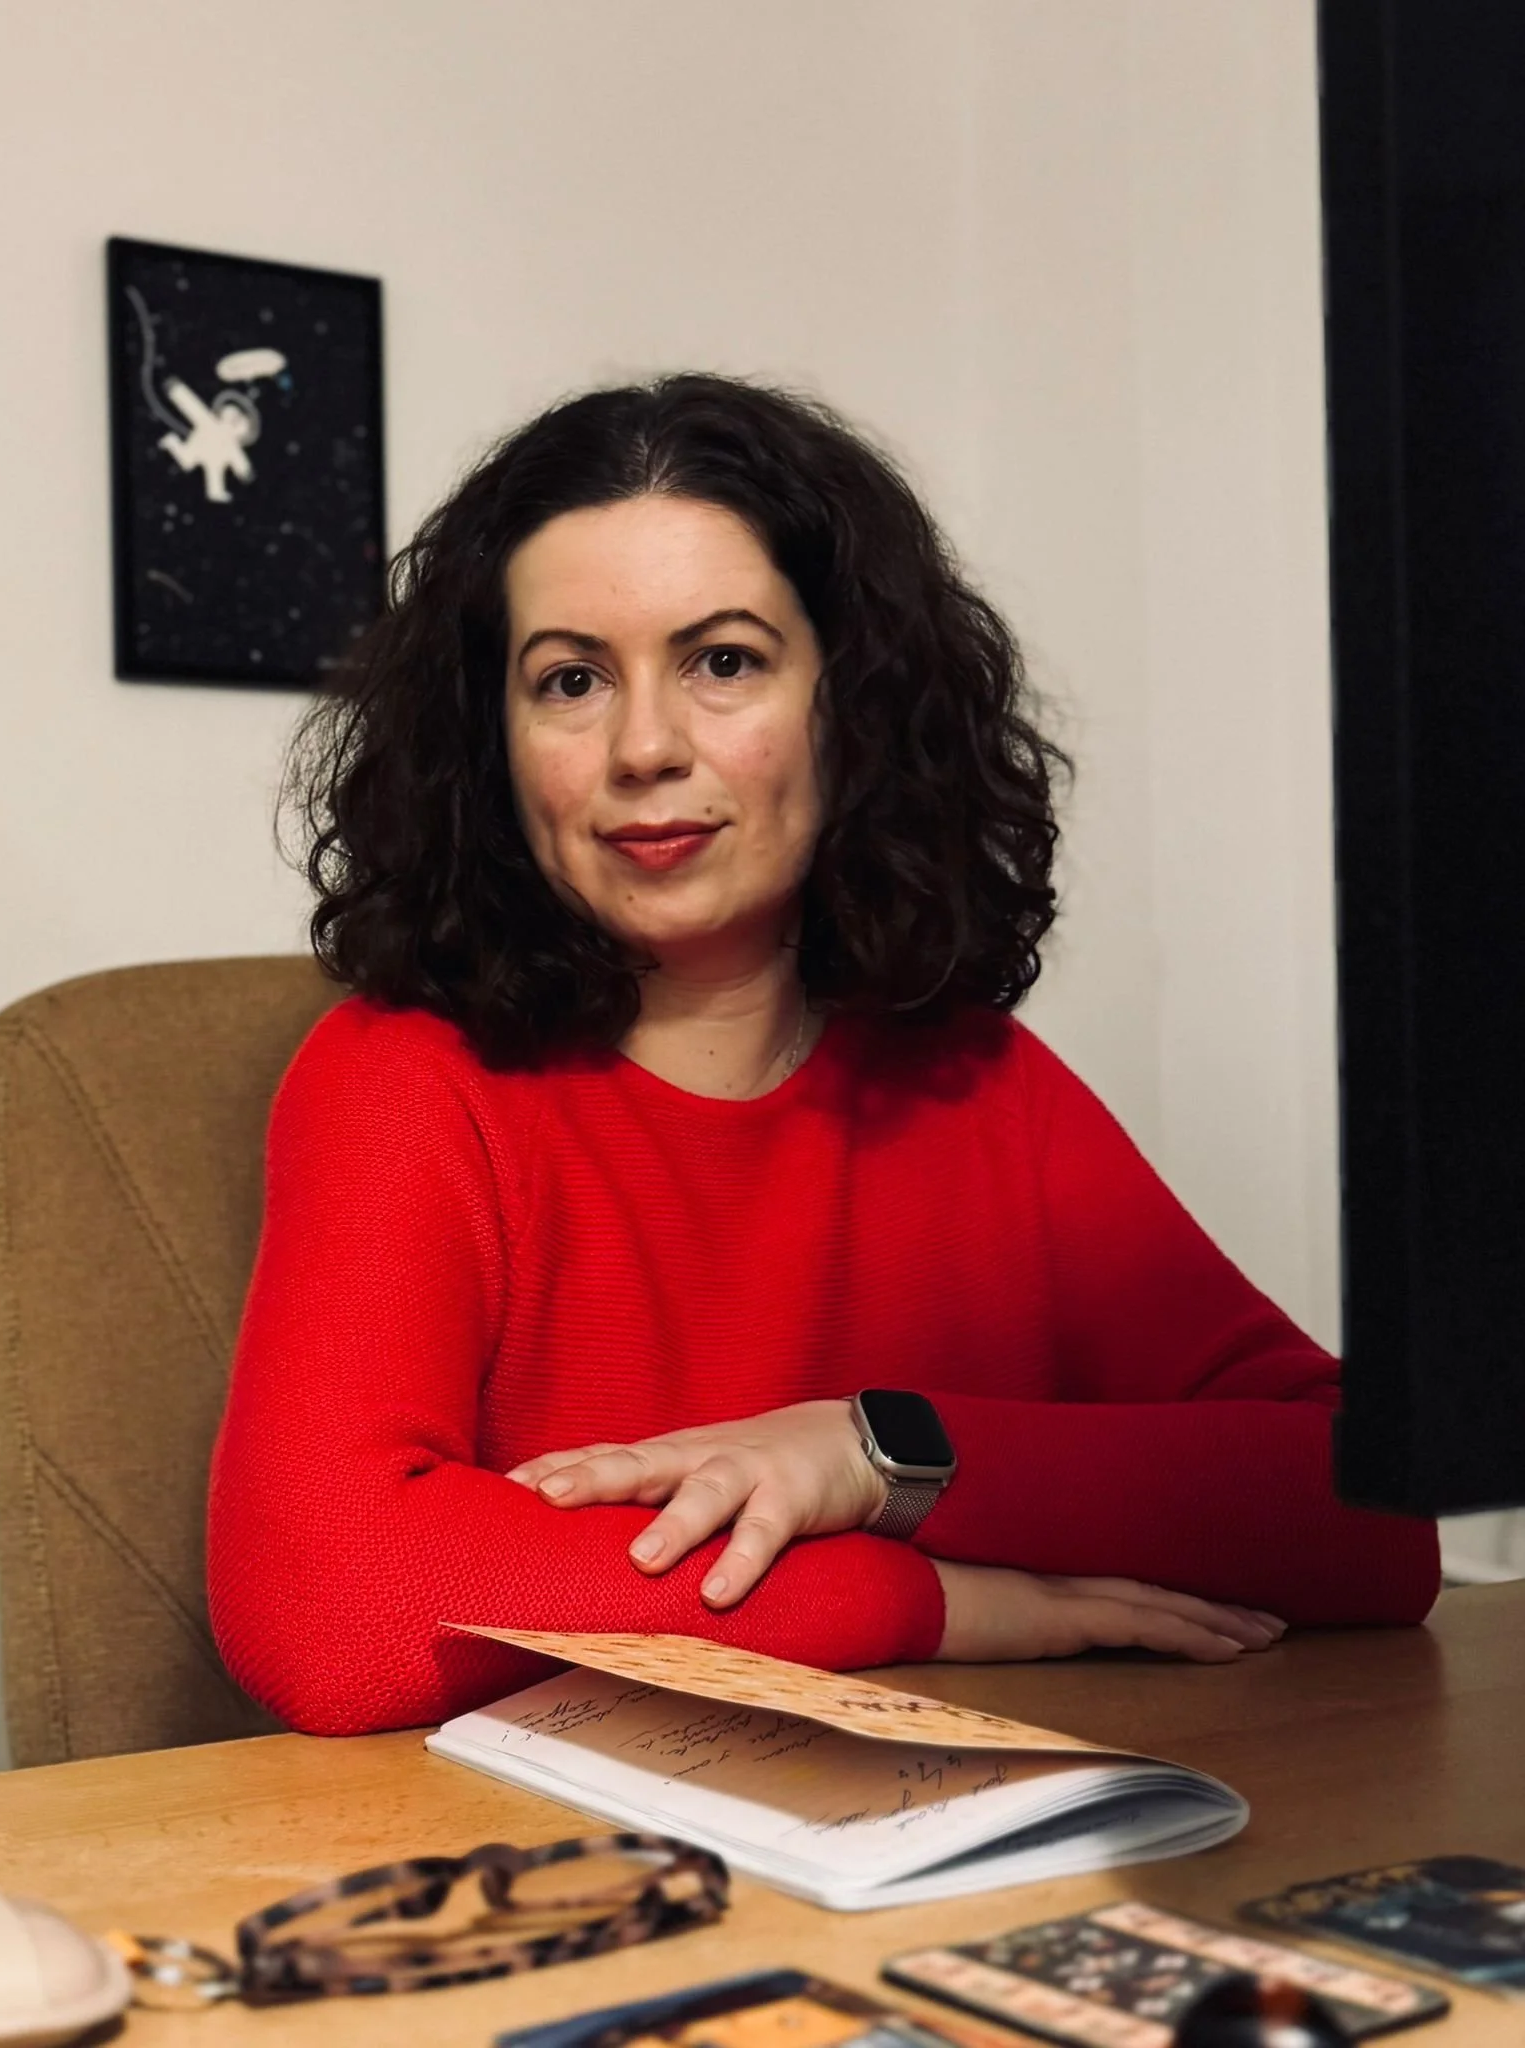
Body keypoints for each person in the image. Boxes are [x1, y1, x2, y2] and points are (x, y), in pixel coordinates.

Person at [206, 374, 1439, 1737]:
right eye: (570, 681)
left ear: (853, 702)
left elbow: (1375, 1520)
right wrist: (927, 1602)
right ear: (490, 747)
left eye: (724, 662)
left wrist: (874, 1453)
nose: (644, 747)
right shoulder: (398, 1078)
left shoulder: (980, 1086)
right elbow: (326, 1609)